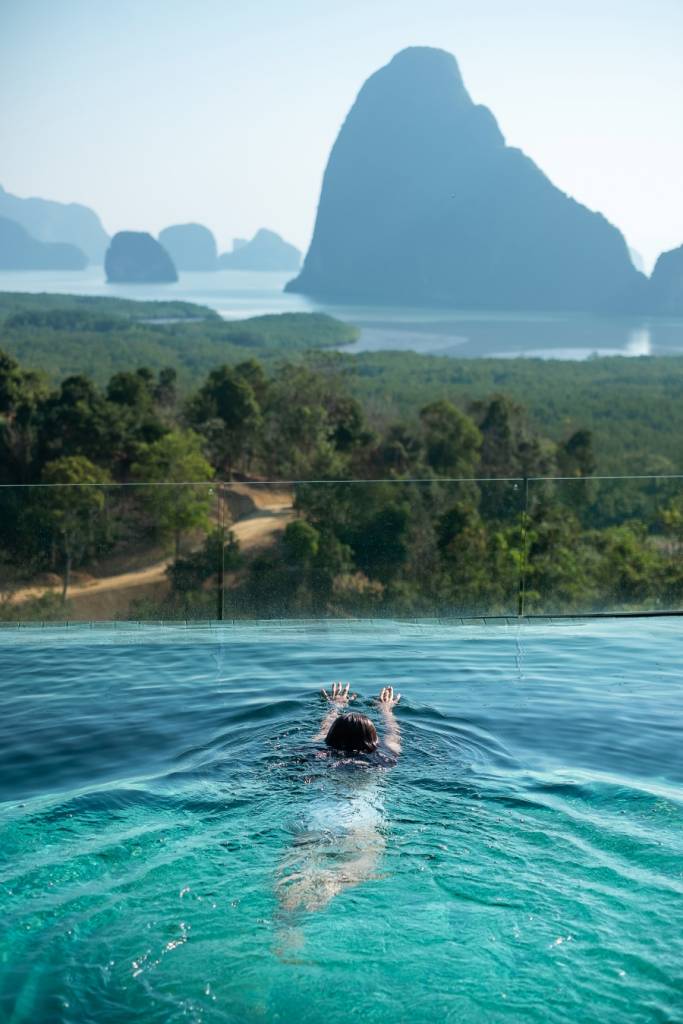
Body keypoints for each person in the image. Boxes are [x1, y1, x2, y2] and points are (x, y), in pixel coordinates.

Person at [275, 681, 402, 917]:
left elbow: (324, 734)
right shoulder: (385, 757)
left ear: (331, 738)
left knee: (295, 864)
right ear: (373, 741)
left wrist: (335, 707)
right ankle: (332, 882)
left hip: (320, 816)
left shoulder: (320, 754)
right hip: (360, 818)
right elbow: (394, 735)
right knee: (363, 863)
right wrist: (386, 710)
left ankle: (286, 914)